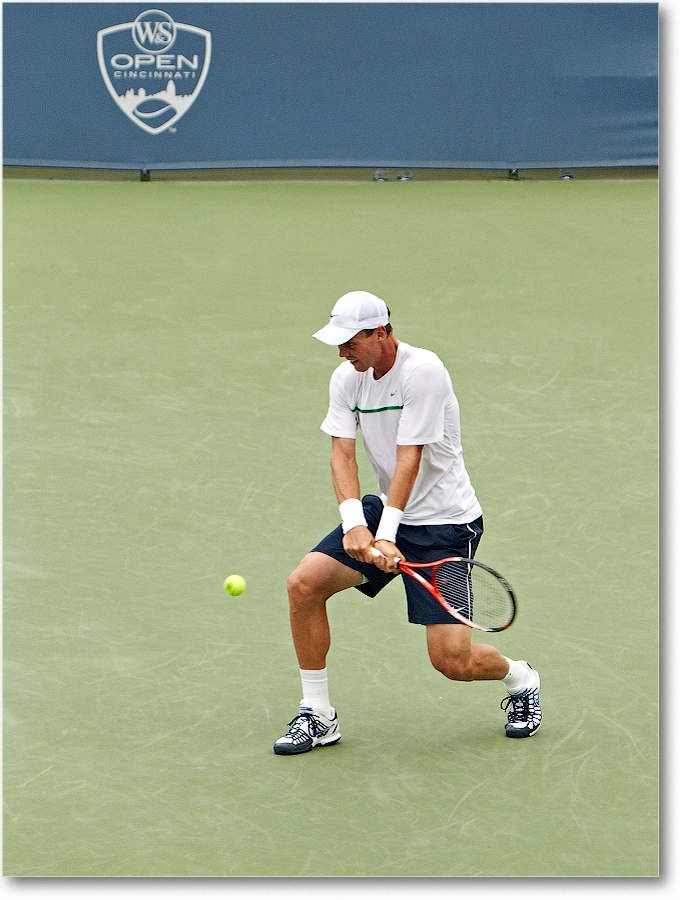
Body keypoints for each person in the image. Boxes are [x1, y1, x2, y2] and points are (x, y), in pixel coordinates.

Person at [273, 291, 541, 755]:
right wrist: (356, 522)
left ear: (381, 333)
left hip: (445, 525)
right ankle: (317, 714)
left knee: (452, 662)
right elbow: (342, 452)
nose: (342, 352)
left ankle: (521, 678)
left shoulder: (424, 371)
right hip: (388, 511)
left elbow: (408, 458)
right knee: (304, 585)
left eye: (350, 341)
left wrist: (385, 535)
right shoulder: (346, 378)